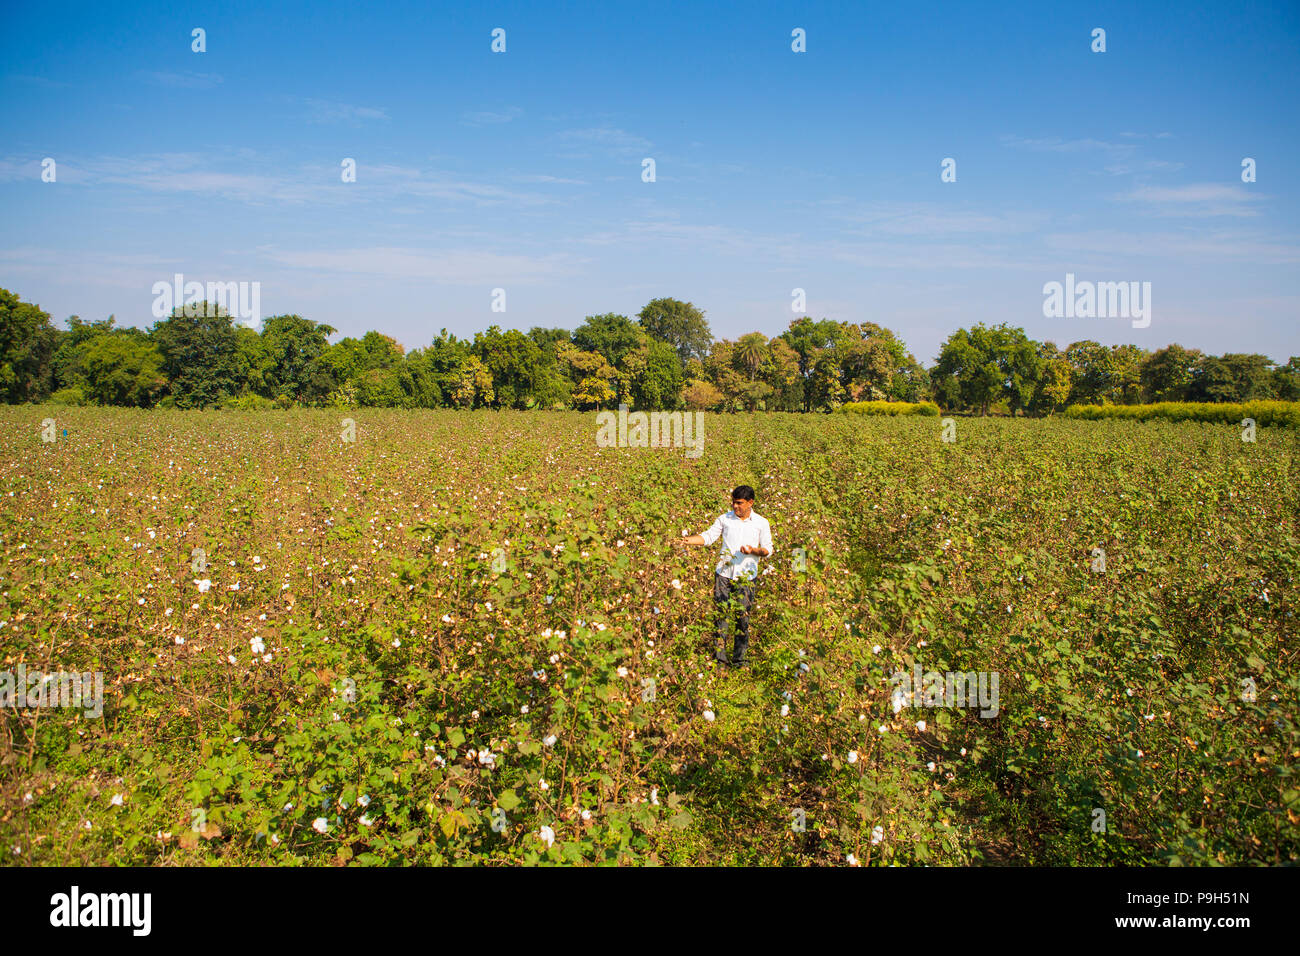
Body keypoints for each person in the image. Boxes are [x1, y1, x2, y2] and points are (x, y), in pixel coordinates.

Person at [673, 486, 773, 667]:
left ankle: (740, 660)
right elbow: (708, 537)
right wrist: (686, 541)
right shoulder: (725, 519)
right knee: (721, 617)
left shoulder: (761, 523)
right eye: (733, 502)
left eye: (739, 503)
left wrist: (753, 550)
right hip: (724, 575)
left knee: (743, 619)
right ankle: (720, 660)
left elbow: (767, 550)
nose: (735, 506)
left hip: (747, 577)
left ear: (751, 503)